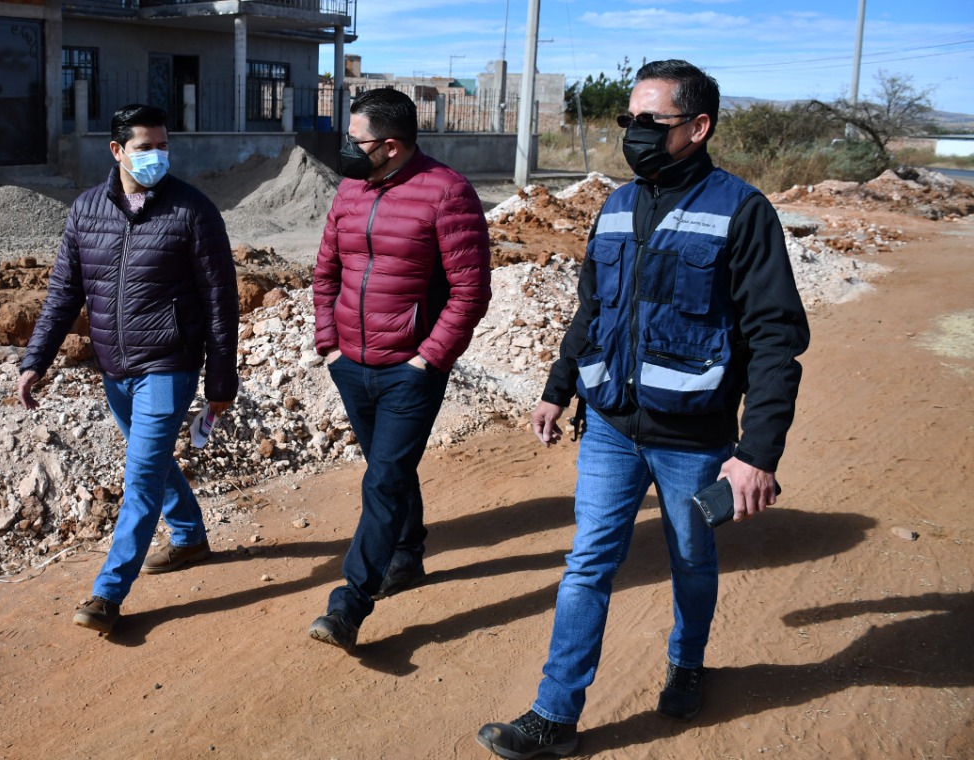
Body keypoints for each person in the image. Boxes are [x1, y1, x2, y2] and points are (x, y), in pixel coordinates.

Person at [477, 60, 810, 757]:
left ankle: (687, 664)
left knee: (692, 560)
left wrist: (757, 453)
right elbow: (592, 311)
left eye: (649, 122)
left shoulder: (741, 211)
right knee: (587, 564)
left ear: (698, 126)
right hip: (609, 428)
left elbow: (776, 338)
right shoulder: (617, 205)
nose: (632, 133)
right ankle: (554, 715)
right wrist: (556, 387)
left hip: (695, 440)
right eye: (627, 121)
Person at [16, 103, 239, 634]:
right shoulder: (86, 210)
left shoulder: (192, 210)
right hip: (114, 367)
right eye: (145, 148)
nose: (157, 156)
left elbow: (220, 300)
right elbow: (63, 294)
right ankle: (189, 538)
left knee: (139, 476)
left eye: (163, 146)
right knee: (155, 465)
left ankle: (107, 594)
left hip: (170, 363)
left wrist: (220, 380)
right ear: (116, 151)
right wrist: (35, 360)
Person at [308, 87, 492, 652]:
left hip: (408, 371)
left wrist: (426, 360)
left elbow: (470, 291)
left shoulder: (447, 193)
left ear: (389, 146)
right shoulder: (349, 189)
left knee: (383, 479)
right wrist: (329, 345)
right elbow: (325, 271)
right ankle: (407, 554)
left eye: (355, 140)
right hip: (351, 364)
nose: (345, 148)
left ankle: (349, 605)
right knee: (389, 467)